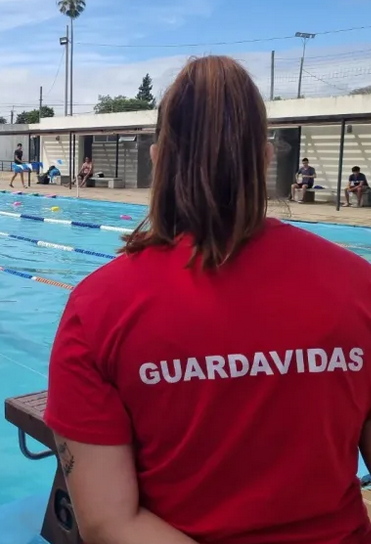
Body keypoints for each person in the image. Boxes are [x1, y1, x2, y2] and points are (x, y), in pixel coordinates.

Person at [45, 56, 371, 544]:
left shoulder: (98, 306)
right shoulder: (358, 284)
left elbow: (110, 524)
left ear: (158, 158)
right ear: (264, 157)